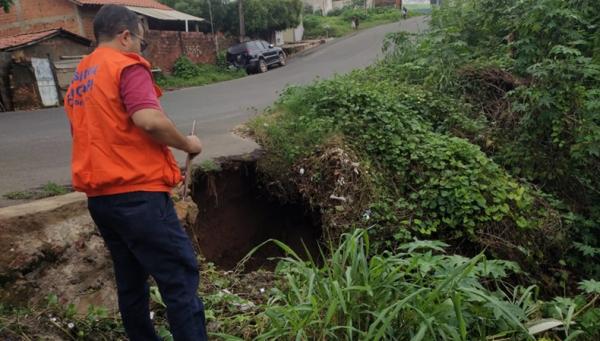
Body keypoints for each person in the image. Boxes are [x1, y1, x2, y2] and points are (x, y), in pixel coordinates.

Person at [64, 5, 207, 341]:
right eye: (141, 40)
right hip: (137, 198)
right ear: (125, 35)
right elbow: (148, 120)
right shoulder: (125, 65)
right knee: (180, 279)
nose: (141, 47)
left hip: (102, 201)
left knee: (130, 282)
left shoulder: (80, 78)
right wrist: (188, 144)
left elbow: (103, 136)